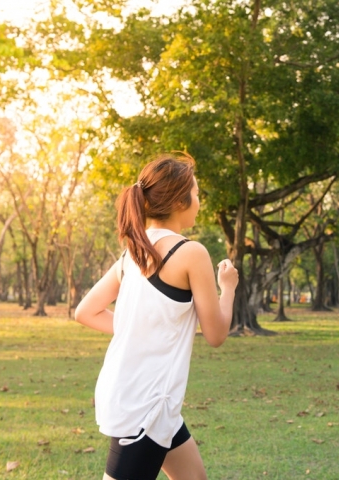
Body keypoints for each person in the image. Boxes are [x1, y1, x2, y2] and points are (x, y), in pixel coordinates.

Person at [75, 153, 238, 480]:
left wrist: (140, 330)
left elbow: (86, 312)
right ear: (179, 200)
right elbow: (217, 334)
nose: (199, 202)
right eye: (196, 194)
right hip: (144, 406)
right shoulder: (191, 253)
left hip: (151, 401)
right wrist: (228, 287)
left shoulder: (132, 253)